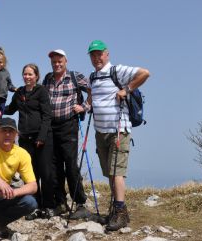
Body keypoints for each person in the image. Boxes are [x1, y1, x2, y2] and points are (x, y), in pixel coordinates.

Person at [87, 40, 150, 231]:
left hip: (118, 130)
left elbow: (144, 73)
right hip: (101, 132)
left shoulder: (117, 70)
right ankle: (117, 210)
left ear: (107, 54)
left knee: (117, 173)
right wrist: (85, 106)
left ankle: (120, 213)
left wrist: (127, 89)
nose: (96, 58)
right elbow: (92, 99)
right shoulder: (93, 77)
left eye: (99, 54)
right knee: (109, 174)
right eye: (92, 55)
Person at [43, 49, 91, 218]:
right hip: (51, 126)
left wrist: (84, 107)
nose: (56, 64)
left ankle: (80, 203)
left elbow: (92, 90)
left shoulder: (75, 76)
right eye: (54, 61)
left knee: (70, 163)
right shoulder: (48, 78)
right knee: (54, 165)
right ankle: (60, 202)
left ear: (65, 61)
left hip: (69, 125)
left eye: (59, 61)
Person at [5, 63, 55, 219]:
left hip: (42, 138)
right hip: (25, 138)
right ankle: (35, 206)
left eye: (30, 74)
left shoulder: (42, 91)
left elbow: (47, 115)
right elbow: (11, 109)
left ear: (36, 76)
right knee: (31, 174)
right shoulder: (19, 92)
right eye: (25, 74)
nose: (27, 77)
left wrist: (41, 136)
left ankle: (49, 206)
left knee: (46, 173)